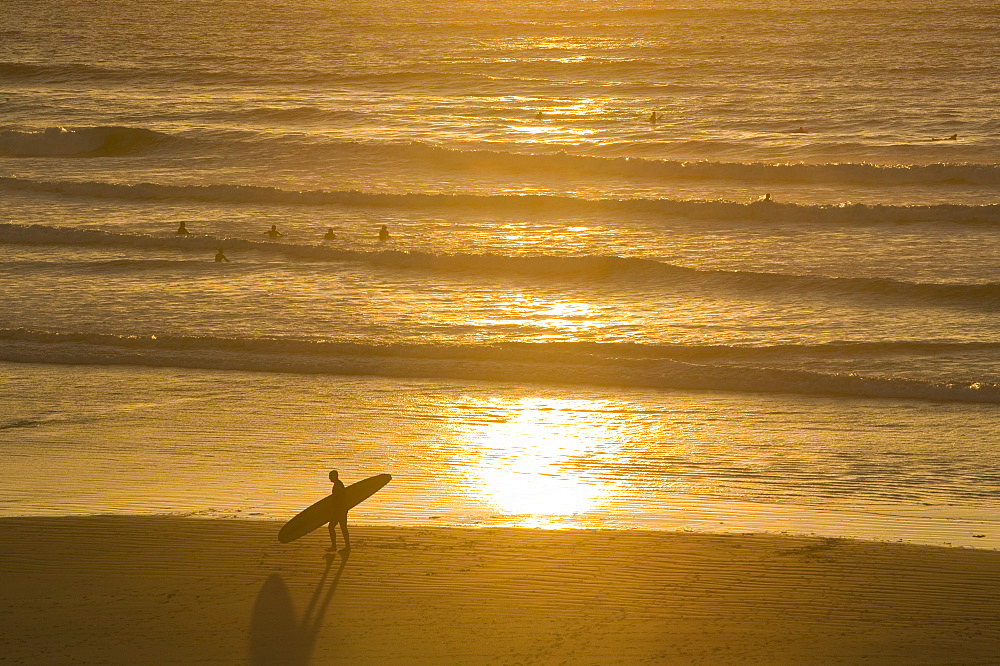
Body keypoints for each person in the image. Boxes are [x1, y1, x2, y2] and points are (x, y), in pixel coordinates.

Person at [327, 469, 350, 552]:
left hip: (340, 510)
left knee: (338, 527)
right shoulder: (338, 484)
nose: (329, 478)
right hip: (340, 510)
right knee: (338, 527)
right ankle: (341, 546)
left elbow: (340, 498)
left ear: (335, 476)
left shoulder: (338, 485)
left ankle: (343, 547)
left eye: (330, 476)